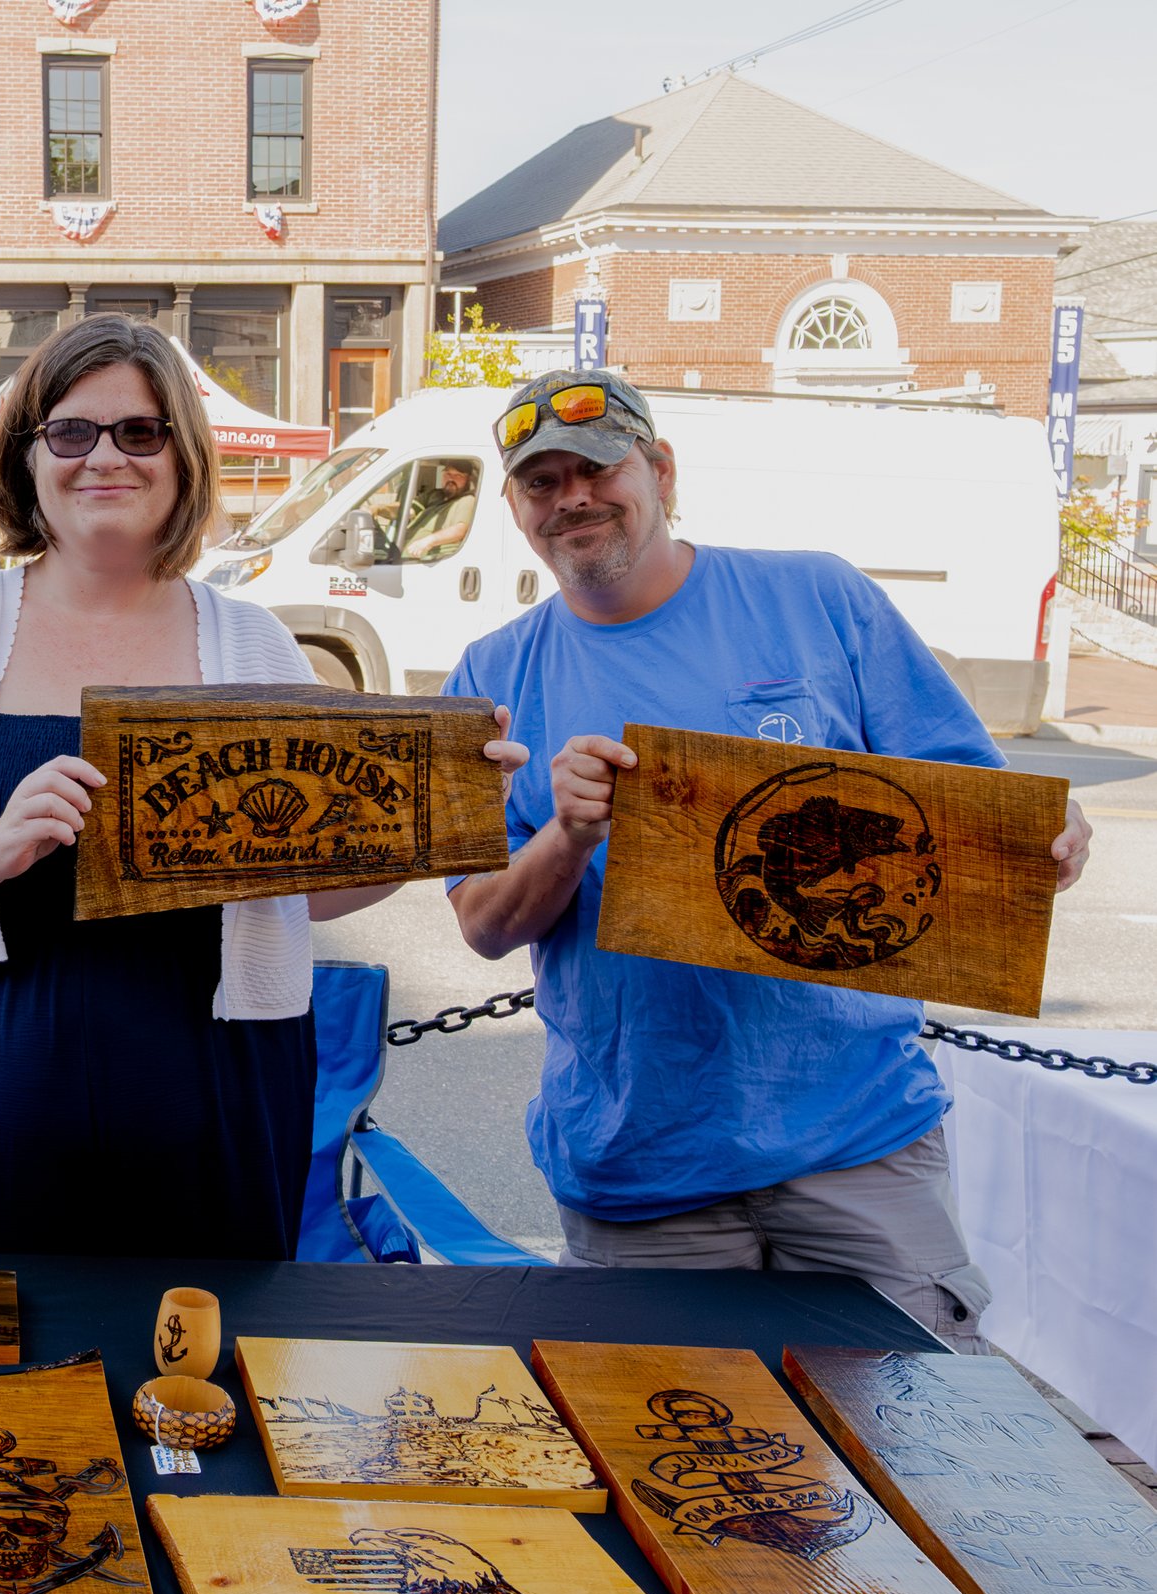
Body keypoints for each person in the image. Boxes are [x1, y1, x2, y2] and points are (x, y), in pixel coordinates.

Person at [0, 316, 525, 1257]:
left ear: (182, 458)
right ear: (28, 459)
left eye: (140, 432)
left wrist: (425, 820)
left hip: (217, 1098)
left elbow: (310, 886)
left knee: (203, 1386)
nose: (106, 456)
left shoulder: (254, 643)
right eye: (73, 431)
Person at [443, 369, 1093, 1348]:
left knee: (917, 1452)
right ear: (515, 509)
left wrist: (1047, 835)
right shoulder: (491, 674)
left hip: (859, 1142)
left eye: (597, 466)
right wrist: (567, 835)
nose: (571, 495)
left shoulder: (817, 599)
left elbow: (968, 804)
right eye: (541, 482)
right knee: (672, 1474)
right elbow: (484, 924)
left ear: (659, 470)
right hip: (639, 1167)